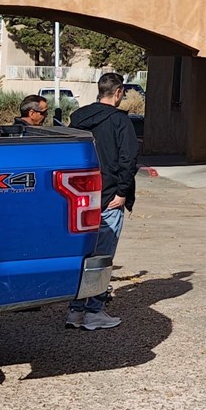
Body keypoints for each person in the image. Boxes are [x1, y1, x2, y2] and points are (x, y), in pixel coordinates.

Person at [66, 73, 140, 329]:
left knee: (83, 255)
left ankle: (75, 310)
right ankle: (94, 311)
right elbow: (128, 159)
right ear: (118, 92)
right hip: (109, 196)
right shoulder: (120, 121)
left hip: (81, 197)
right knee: (102, 256)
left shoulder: (78, 118)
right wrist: (122, 192)